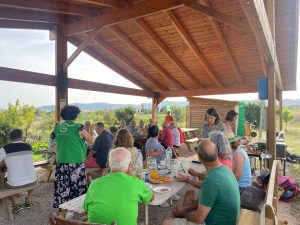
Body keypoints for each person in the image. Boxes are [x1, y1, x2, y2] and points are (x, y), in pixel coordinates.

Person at [163, 140, 240, 225]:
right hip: (229, 219)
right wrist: (185, 208)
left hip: (213, 222)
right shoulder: (224, 169)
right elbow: (209, 194)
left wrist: (183, 213)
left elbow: (198, 219)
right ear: (217, 152)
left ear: (199, 158)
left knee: (166, 222)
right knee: (190, 194)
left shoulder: (211, 181)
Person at [83, 147, 153, 225]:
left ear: (109, 164)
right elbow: (150, 198)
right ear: (129, 164)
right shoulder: (136, 182)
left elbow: (86, 209)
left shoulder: (94, 184)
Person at [50, 105, 94, 208]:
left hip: (61, 161)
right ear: (75, 116)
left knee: (63, 185)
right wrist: (91, 129)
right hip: (76, 161)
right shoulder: (78, 127)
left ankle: (64, 207)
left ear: (63, 116)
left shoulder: (58, 127)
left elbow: (53, 139)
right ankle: (77, 207)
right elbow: (91, 140)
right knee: (77, 185)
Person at [0, 129, 37, 213]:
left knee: (2, 183)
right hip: (32, 181)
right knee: (33, 176)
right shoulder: (29, 147)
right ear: (21, 137)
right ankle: (28, 200)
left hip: (14, 184)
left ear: (10, 138)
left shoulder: (5, 149)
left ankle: (15, 204)